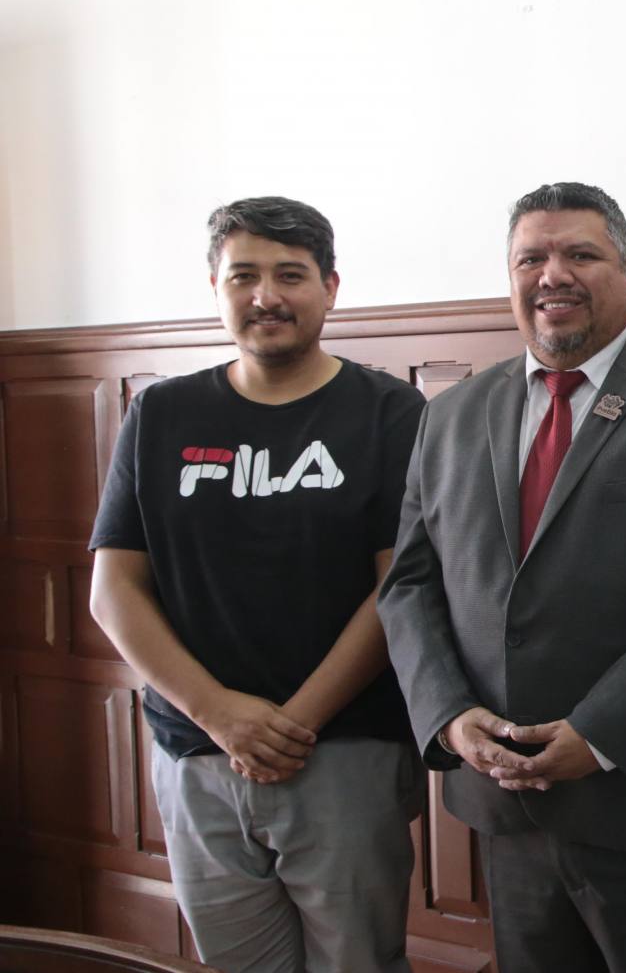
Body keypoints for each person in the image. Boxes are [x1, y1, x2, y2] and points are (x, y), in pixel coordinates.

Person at [377, 182, 626, 973]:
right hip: (505, 808)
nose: (553, 275)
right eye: (531, 259)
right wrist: (450, 716)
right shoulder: (448, 415)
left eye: (581, 254)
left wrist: (602, 733)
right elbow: (410, 585)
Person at [88, 196, 425, 973]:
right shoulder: (160, 413)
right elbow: (114, 591)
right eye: (243, 276)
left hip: (345, 751)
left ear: (330, 288)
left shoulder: (390, 412)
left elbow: (398, 588)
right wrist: (218, 714)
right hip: (197, 752)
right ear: (216, 287)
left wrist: (292, 724)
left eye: (290, 275)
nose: (265, 295)